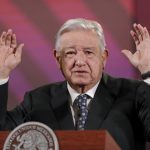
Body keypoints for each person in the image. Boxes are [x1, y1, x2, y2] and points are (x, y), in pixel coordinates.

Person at [0, 18, 150, 150]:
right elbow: (3, 134)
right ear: (58, 59)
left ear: (104, 58)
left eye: (89, 52)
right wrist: (1, 75)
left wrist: (148, 72)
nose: (79, 61)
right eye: (70, 53)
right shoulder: (37, 100)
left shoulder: (133, 93)